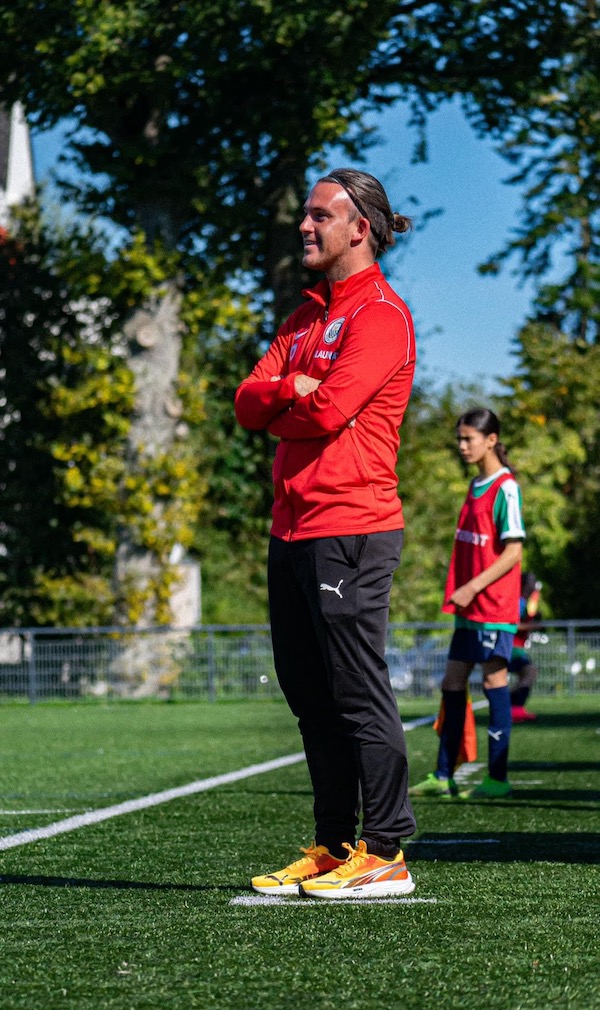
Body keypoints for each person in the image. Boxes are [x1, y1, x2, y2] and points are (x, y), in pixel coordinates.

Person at [235, 168, 417, 899]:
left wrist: (292, 402)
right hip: (292, 529)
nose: (304, 226)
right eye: (305, 216)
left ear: (358, 229)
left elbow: (329, 411)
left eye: (320, 216)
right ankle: (336, 843)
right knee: (309, 691)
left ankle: (387, 850)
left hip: (352, 528)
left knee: (354, 687)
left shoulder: (380, 316)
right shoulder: (303, 318)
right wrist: (286, 392)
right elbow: (250, 404)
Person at [409, 408, 525, 801]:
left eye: (468, 439)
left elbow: (513, 552)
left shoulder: (505, 487)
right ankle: (444, 775)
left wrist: (472, 586)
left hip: (492, 605)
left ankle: (497, 777)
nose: (462, 446)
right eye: (459, 439)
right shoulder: (475, 484)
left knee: (494, 680)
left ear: (491, 439)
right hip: (469, 609)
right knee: (452, 682)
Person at [509, 572, 542, 722]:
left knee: (526, 674)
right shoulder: (519, 602)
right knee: (530, 671)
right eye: (532, 582)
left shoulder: (525, 602)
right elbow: (512, 625)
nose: (534, 585)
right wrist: (531, 625)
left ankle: (512, 707)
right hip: (511, 648)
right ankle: (515, 709)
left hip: (516, 647)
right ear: (524, 585)